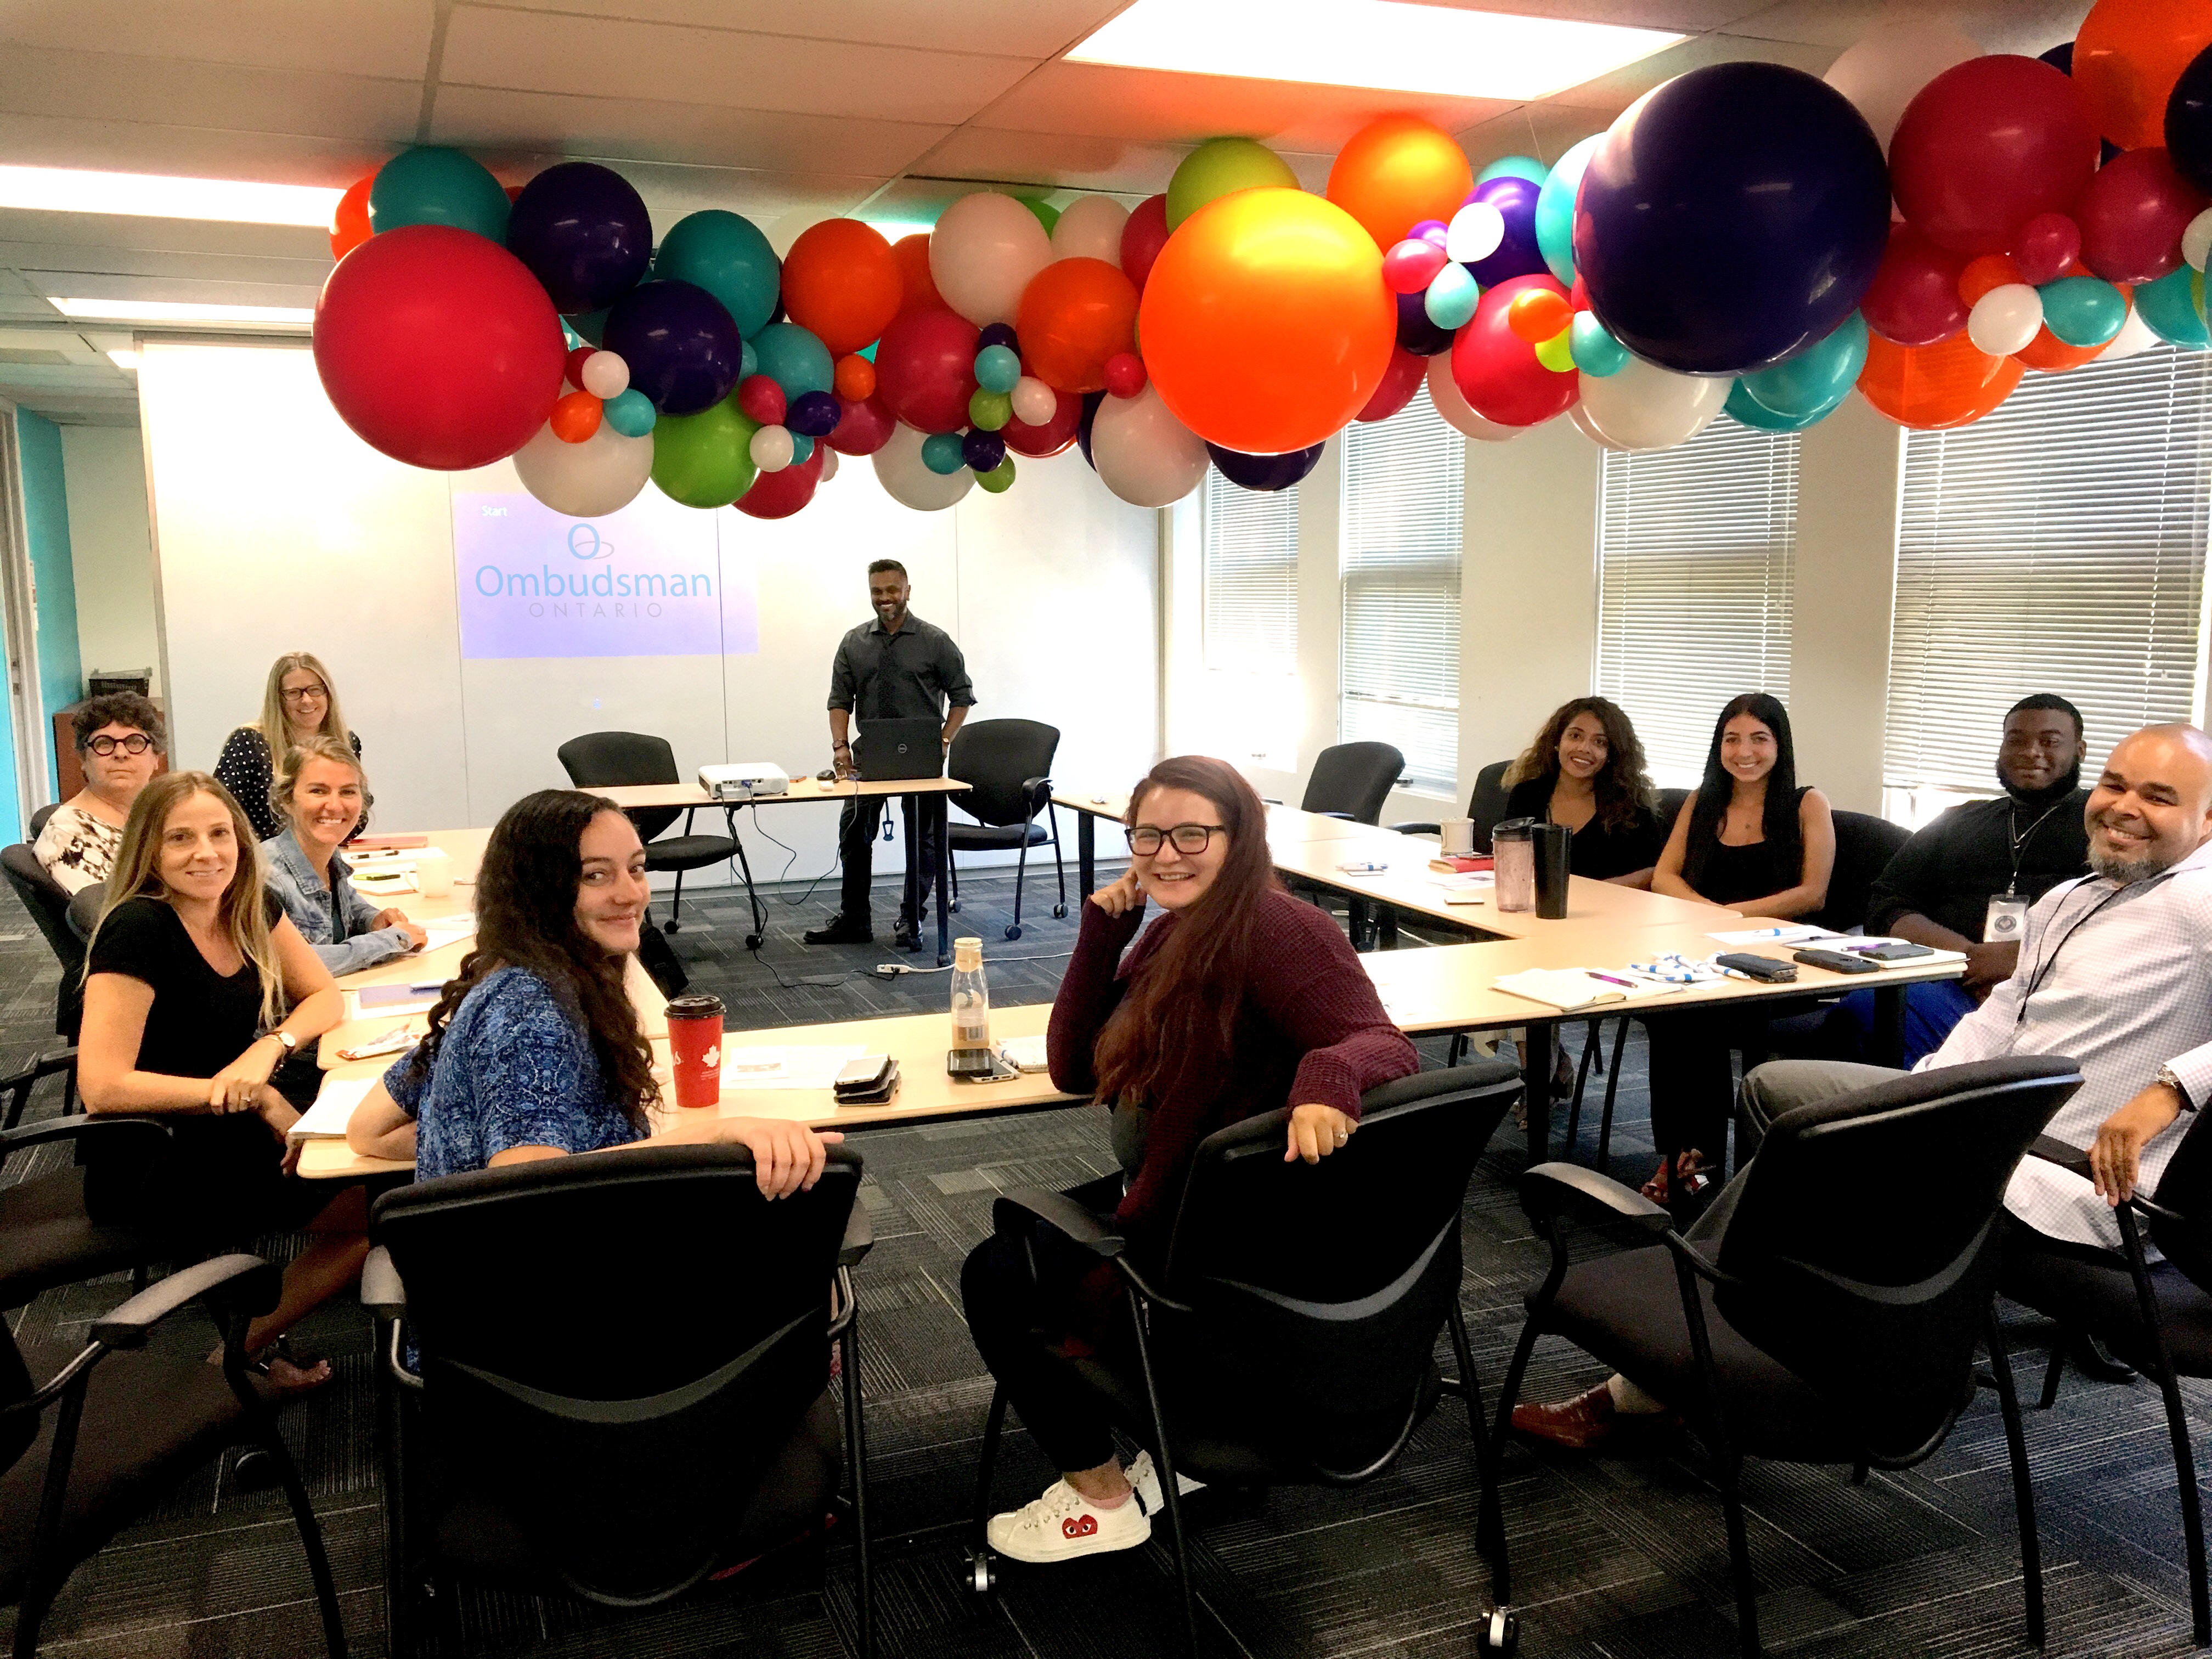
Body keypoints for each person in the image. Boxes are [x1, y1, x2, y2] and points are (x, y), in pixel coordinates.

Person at [1514, 723, 2212, 1452]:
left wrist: (2173, 1089)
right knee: (1778, 1091)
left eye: (2159, 797)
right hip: (1982, 1127)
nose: (2124, 806)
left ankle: (1679, 1372)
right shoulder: (2070, 899)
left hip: (2067, 1175)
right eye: (2117, 785)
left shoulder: (2199, 903)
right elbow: (2000, 1022)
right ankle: (1770, 1315)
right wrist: (1911, 1102)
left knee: (1810, 1161)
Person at [960, 755, 1418, 1565]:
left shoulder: (1278, 928)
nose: (1165, 854)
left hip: (1215, 1230)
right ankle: (1190, 1431)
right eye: (1148, 835)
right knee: (1034, 1238)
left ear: (1239, 839)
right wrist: (1105, 929)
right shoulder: (1176, 928)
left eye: (1192, 834)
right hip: (1187, 1195)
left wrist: (1329, 1078)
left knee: (995, 1275)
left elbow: (1380, 1041)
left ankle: (1099, 1497)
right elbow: (1072, 1065)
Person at [343, 789, 837, 1196]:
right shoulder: (527, 1009)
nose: (630, 893)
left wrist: (464, 1145)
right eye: (595, 876)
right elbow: (531, 1186)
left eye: (636, 869)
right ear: (540, 890)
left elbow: (366, 1130)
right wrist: (715, 1134)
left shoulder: (517, 976)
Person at [76, 771, 354, 1393]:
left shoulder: (247, 902)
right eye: (181, 838)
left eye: (219, 834)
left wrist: (271, 1046)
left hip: (231, 1126)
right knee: (375, 1207)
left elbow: (324, 996)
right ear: (150, 849)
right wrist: (250, 1091)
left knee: (378, 1162)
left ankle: (260, 1321)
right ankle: (235, 1356)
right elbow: (103, 1085)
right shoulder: (139, 929)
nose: (206, 853)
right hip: (158, 1153)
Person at [1642, 693, 1835, 1201]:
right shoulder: (1702, 802)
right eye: (1732, 739)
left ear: (1780, 744)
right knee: (1664, 1010)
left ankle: (1697, 1157)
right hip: (1704, 952)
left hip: (1780, 964)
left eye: (1758, 739)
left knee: (1697, 1013)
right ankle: (1679, 1153)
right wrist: (1706, 914)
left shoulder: (1807, 803)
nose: (1743, 751)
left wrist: (1731, 918)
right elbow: (1665, 875)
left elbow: (1812, 893)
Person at [1830, 694, 2090, 1064]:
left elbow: (2116, 922)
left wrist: (2020, 960)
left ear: (2079, 750)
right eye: (2016, 739)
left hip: (2048, 997)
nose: (2031, 752)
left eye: (2050, 741)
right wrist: (1969, 958)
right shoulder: (1957, 821)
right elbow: (1888, 903)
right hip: (1948, 982)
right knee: (1864, 1010)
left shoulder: (2103, 827)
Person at [804, 560, 974, 948]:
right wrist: (840, 747)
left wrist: (943, 742)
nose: (884, 599)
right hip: (869, 759)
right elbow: (839, 701)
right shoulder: (854, 642)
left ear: (908, 591)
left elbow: (962, 698)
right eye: (877, 592)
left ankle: (911, 918)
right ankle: (855, 921)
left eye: (891, 591)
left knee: (923, 842)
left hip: (922, 761)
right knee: (854, 834)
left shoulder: (935, 641)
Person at [262, 737, 427, 976]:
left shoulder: (328, 858)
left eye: (348, 792)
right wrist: (393, 940)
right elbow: (297, 965)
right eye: (318, 791)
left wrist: (373, 920)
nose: (335, 806)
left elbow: (346, 907)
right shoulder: (267, 878)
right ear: (287, 800)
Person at [1500, 697, 1664, 886]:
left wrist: (1593, 892)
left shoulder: (1631, 806)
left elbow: (1654, 872)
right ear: (1557, 741)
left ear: (1612, 754)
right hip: (1533, 907)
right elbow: (1508, 860)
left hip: (1608, 909)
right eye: (1575, 736)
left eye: (1600, 742)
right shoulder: (1527, 794)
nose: (1585, 749)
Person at [215, 652, 364, 844]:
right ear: (278, 699)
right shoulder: (249, 741)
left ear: (328, 694)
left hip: (328, 858)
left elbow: (358, 815)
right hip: (263, 863)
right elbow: (220, 812)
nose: (307, 700)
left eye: (315, 690)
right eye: (294, 693)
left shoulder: (348, 742)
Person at [34, 691, 165, 895]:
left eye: (135, 742)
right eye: (104, 743)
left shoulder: (163, 813)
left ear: (156, 757)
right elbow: (104, 919)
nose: (121, 754)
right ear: (84, 760)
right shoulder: (68, 835)